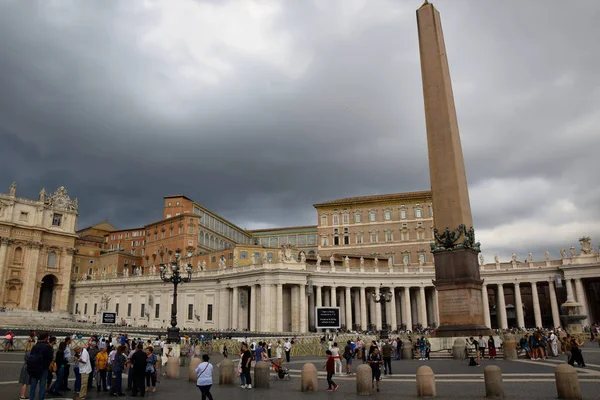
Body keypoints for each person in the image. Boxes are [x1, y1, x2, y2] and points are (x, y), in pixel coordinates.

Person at [28, 332, 54, 400]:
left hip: (34, 368)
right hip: (43, 368)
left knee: (33, 386)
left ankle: (31, 398)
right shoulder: (48, 347)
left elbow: (31, 355)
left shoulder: (35, 346)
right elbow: (50, 358)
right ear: (46, 338)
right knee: (42, 386)